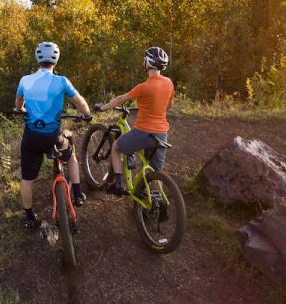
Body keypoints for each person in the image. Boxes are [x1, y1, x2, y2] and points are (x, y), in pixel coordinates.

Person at [16, 41, 93, 229]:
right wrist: (87, 115)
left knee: (27, 179)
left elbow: (18, 104)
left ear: (37, 59)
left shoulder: (25, 80)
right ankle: (77, 192)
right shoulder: (62, 81)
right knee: (71, 154)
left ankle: (29, 217)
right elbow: (79, 101)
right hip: (53, 137)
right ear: (55, 61)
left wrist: (23, 108)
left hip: (31, 138)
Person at [95, 46, 174, 196]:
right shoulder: (169, 83)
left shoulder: (143, 87)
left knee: (116, 148)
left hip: (143, 132)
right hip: (162, 133)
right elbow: (169, 105)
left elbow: (120, 99)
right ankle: (156, 202)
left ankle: (117, 185)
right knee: (155, 171)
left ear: (148, 62)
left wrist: (103, 108)